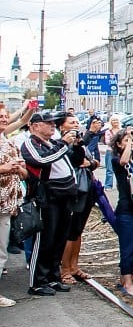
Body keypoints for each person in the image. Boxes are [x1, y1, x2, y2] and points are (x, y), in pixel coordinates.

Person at [20, 111, 84, 296]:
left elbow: (76, 161)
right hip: (47, 198)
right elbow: (41, 160)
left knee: (59, 239)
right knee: (45, 240)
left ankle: (52, 277)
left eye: (53, 123)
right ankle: (37, 282)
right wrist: (64, 144)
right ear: (34, 126)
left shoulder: (53, 143)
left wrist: (77, 145)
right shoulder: (30, 144)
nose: (52, 126)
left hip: (64, 197)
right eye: (47, 123)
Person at [59, 112, 100, 285]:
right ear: (62, 126)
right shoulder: (61, 143)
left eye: (76, 121)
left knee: (78, 230)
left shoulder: (80, 142)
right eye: (71, 122)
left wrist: (90, 163)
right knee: (70, 231)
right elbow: (74, 160)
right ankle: (65, 269)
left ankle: (74, 266)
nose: (76, 124)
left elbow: (93, 161)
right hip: (73, 190)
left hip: (86, 188)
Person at [111, 129, 133, 299]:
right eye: (125, 141)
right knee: (128, 246)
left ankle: (128, 275)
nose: (129, 143)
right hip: (125, 208)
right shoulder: (116, 160)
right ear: (118, 144)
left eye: (130, 141)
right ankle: (127, 283)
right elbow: (123, 160)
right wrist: (129, 143)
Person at [0, 104, 27, 306]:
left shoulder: (8, 142)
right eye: (0, 116)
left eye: (5, 116)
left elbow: (24, 171)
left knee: (1, 251)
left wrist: (19, 170)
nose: (3, 119)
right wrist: (4, 168)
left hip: (7, 204)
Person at [102, 114, 122, 189]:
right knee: (109, 169)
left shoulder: (121, 131)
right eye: (113, 120)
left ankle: (120, 185)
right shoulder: (108, 131)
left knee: (120, 169)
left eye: (116, 120)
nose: (115, 122)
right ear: (111, 122)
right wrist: (117, 142)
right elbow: (108, 142)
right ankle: (108, 185)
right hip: (110, 151)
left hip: (120, 152)